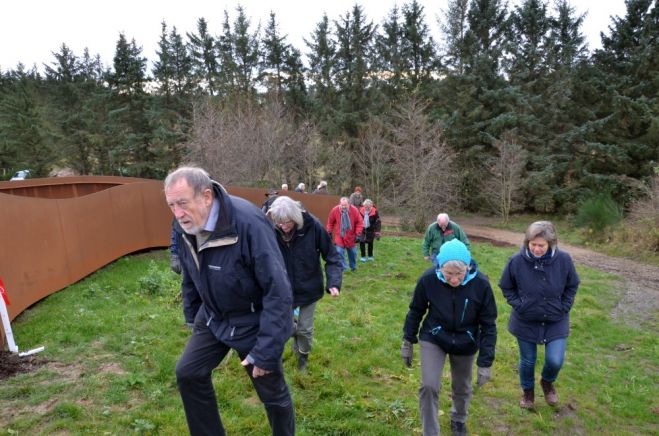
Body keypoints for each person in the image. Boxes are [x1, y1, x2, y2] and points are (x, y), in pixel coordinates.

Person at [164, 166, 295, 436]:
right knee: (188, 373)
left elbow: (278, 290)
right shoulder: (184, 223)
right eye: (171, 205)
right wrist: (191, 316)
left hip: (253, 320)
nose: (177, 214)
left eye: (183, 203)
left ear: (207, 196)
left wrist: (267, 350)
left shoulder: (248, 224)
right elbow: (191, 273)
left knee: (272, 393)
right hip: (213, 316)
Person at [401, 240, 497, 436]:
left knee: (462, 386)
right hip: (434, 336)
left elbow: (489, 325)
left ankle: (458, 420)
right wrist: (408, 340)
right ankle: (430, 431)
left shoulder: (481, 284)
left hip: (466, 340)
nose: (454, 279)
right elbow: (416, 311)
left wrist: (485, 363)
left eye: (459, 274)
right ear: (439, 267)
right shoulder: (428, 280)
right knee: (429, 385)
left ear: (468, 267)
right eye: (449, 274)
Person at [499, 221, 579, 410]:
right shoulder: (516, 261)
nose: (536, 249)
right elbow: (506, 286)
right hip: (525, 319)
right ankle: (528, 393)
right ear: (527, 242)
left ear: (551, 244)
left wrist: (564, 306)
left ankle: (547, 382)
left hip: (556, 318)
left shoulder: (564, 260)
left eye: (541, 245)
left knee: (555, 360)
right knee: (528, 360)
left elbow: (572, 284)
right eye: (532, 244)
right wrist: (520, 305)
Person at [267, 196, 342, 371]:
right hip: (281, 289)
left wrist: (334, 282)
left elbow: (331, 256)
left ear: (295, 218)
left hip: (309, 287)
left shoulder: (313, 227)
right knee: (284, 327)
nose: (282, 227)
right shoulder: (269, 228)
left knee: (305, 329)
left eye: (286, 223)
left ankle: (303, 357)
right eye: (278, 222)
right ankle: (295, 336)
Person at [326, 197, 364, 272]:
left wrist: (358, 234)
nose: (343, 207)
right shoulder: (335, 210)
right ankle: (344, 268)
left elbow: (360, 222)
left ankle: (353, 267)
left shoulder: (354, 210)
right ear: (339, 204)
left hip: (351, 235)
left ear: (349, 204)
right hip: (340, 235)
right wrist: (329, 231)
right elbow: (330, 222)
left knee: (352, 253)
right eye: (342, 205)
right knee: (339, 251)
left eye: (345, 205)